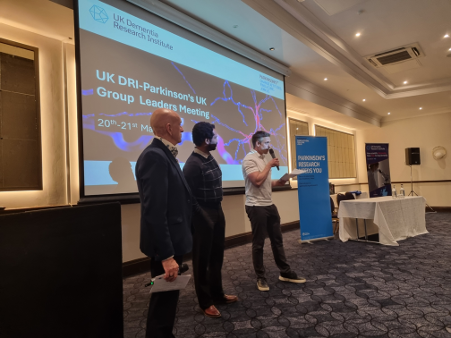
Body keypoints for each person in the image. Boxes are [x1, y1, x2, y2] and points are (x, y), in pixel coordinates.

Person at [136, 108, 193, 338]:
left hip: (172, 241)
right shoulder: (154, 156)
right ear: (168, 128)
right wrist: (167, 256)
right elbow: (155, 212)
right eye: (179, 124)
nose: (182, 128)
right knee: (162, 303)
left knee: (168, 301)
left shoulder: (165, 154)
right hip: (165, 246)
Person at [183, 122, 238, 318]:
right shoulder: (192, 164)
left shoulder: (208, 156)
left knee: (216, 257)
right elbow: (188, 198)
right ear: (206, 140)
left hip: (216, 210)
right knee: (202, 260)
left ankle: (217, 294)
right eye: (215, 137)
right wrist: (203, 217)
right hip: (202, 214)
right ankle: (205, 302)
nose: (218, 139)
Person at [242, 130, 306, 291]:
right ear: (257, 144)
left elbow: (265, 182)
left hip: (269, 204)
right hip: (256, 206)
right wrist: (270, 165)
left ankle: (285, 272)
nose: (270, 146)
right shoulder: (249, 159)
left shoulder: (264, 159)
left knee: (277, 240)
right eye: (267, 143)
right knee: (259, 243)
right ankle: (261, 278)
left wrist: (281, 181)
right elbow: (256, 181)